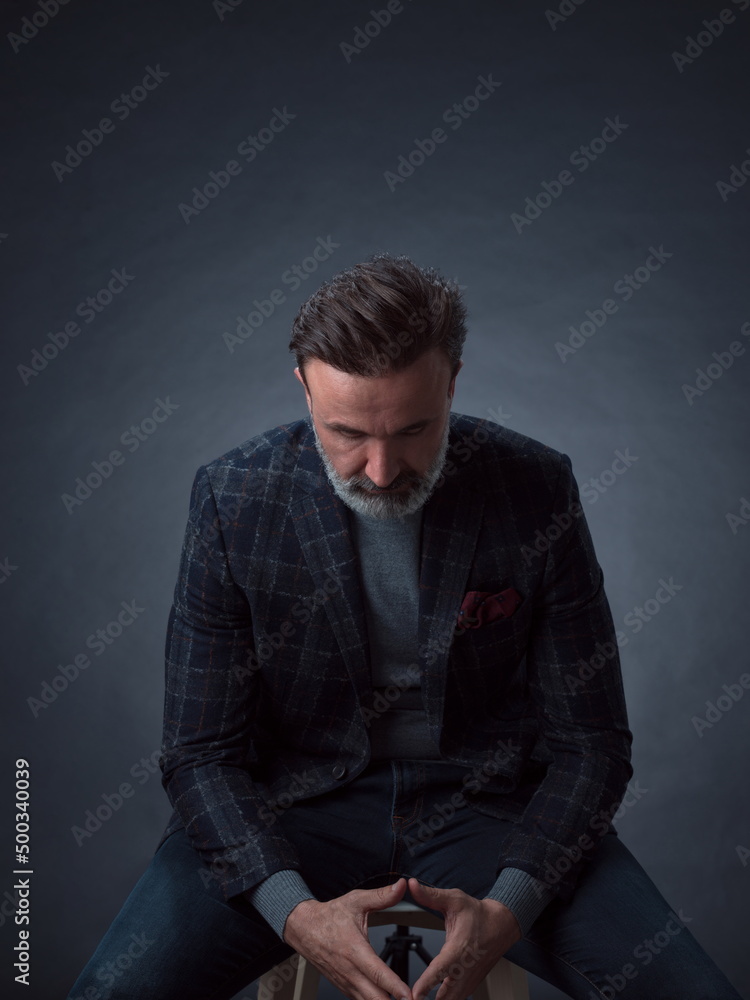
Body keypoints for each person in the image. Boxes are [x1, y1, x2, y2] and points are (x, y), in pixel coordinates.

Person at [66, 253, 744, 1000]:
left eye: (415, 429)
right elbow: (199, 755)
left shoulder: (536, 488)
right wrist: (292, 914)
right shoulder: (233, 501)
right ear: (304, 388)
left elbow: (593, 747)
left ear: (452, 382)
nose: (382, 470)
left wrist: (509, 909)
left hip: (488, 814)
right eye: (347, 432)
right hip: (291, 813)